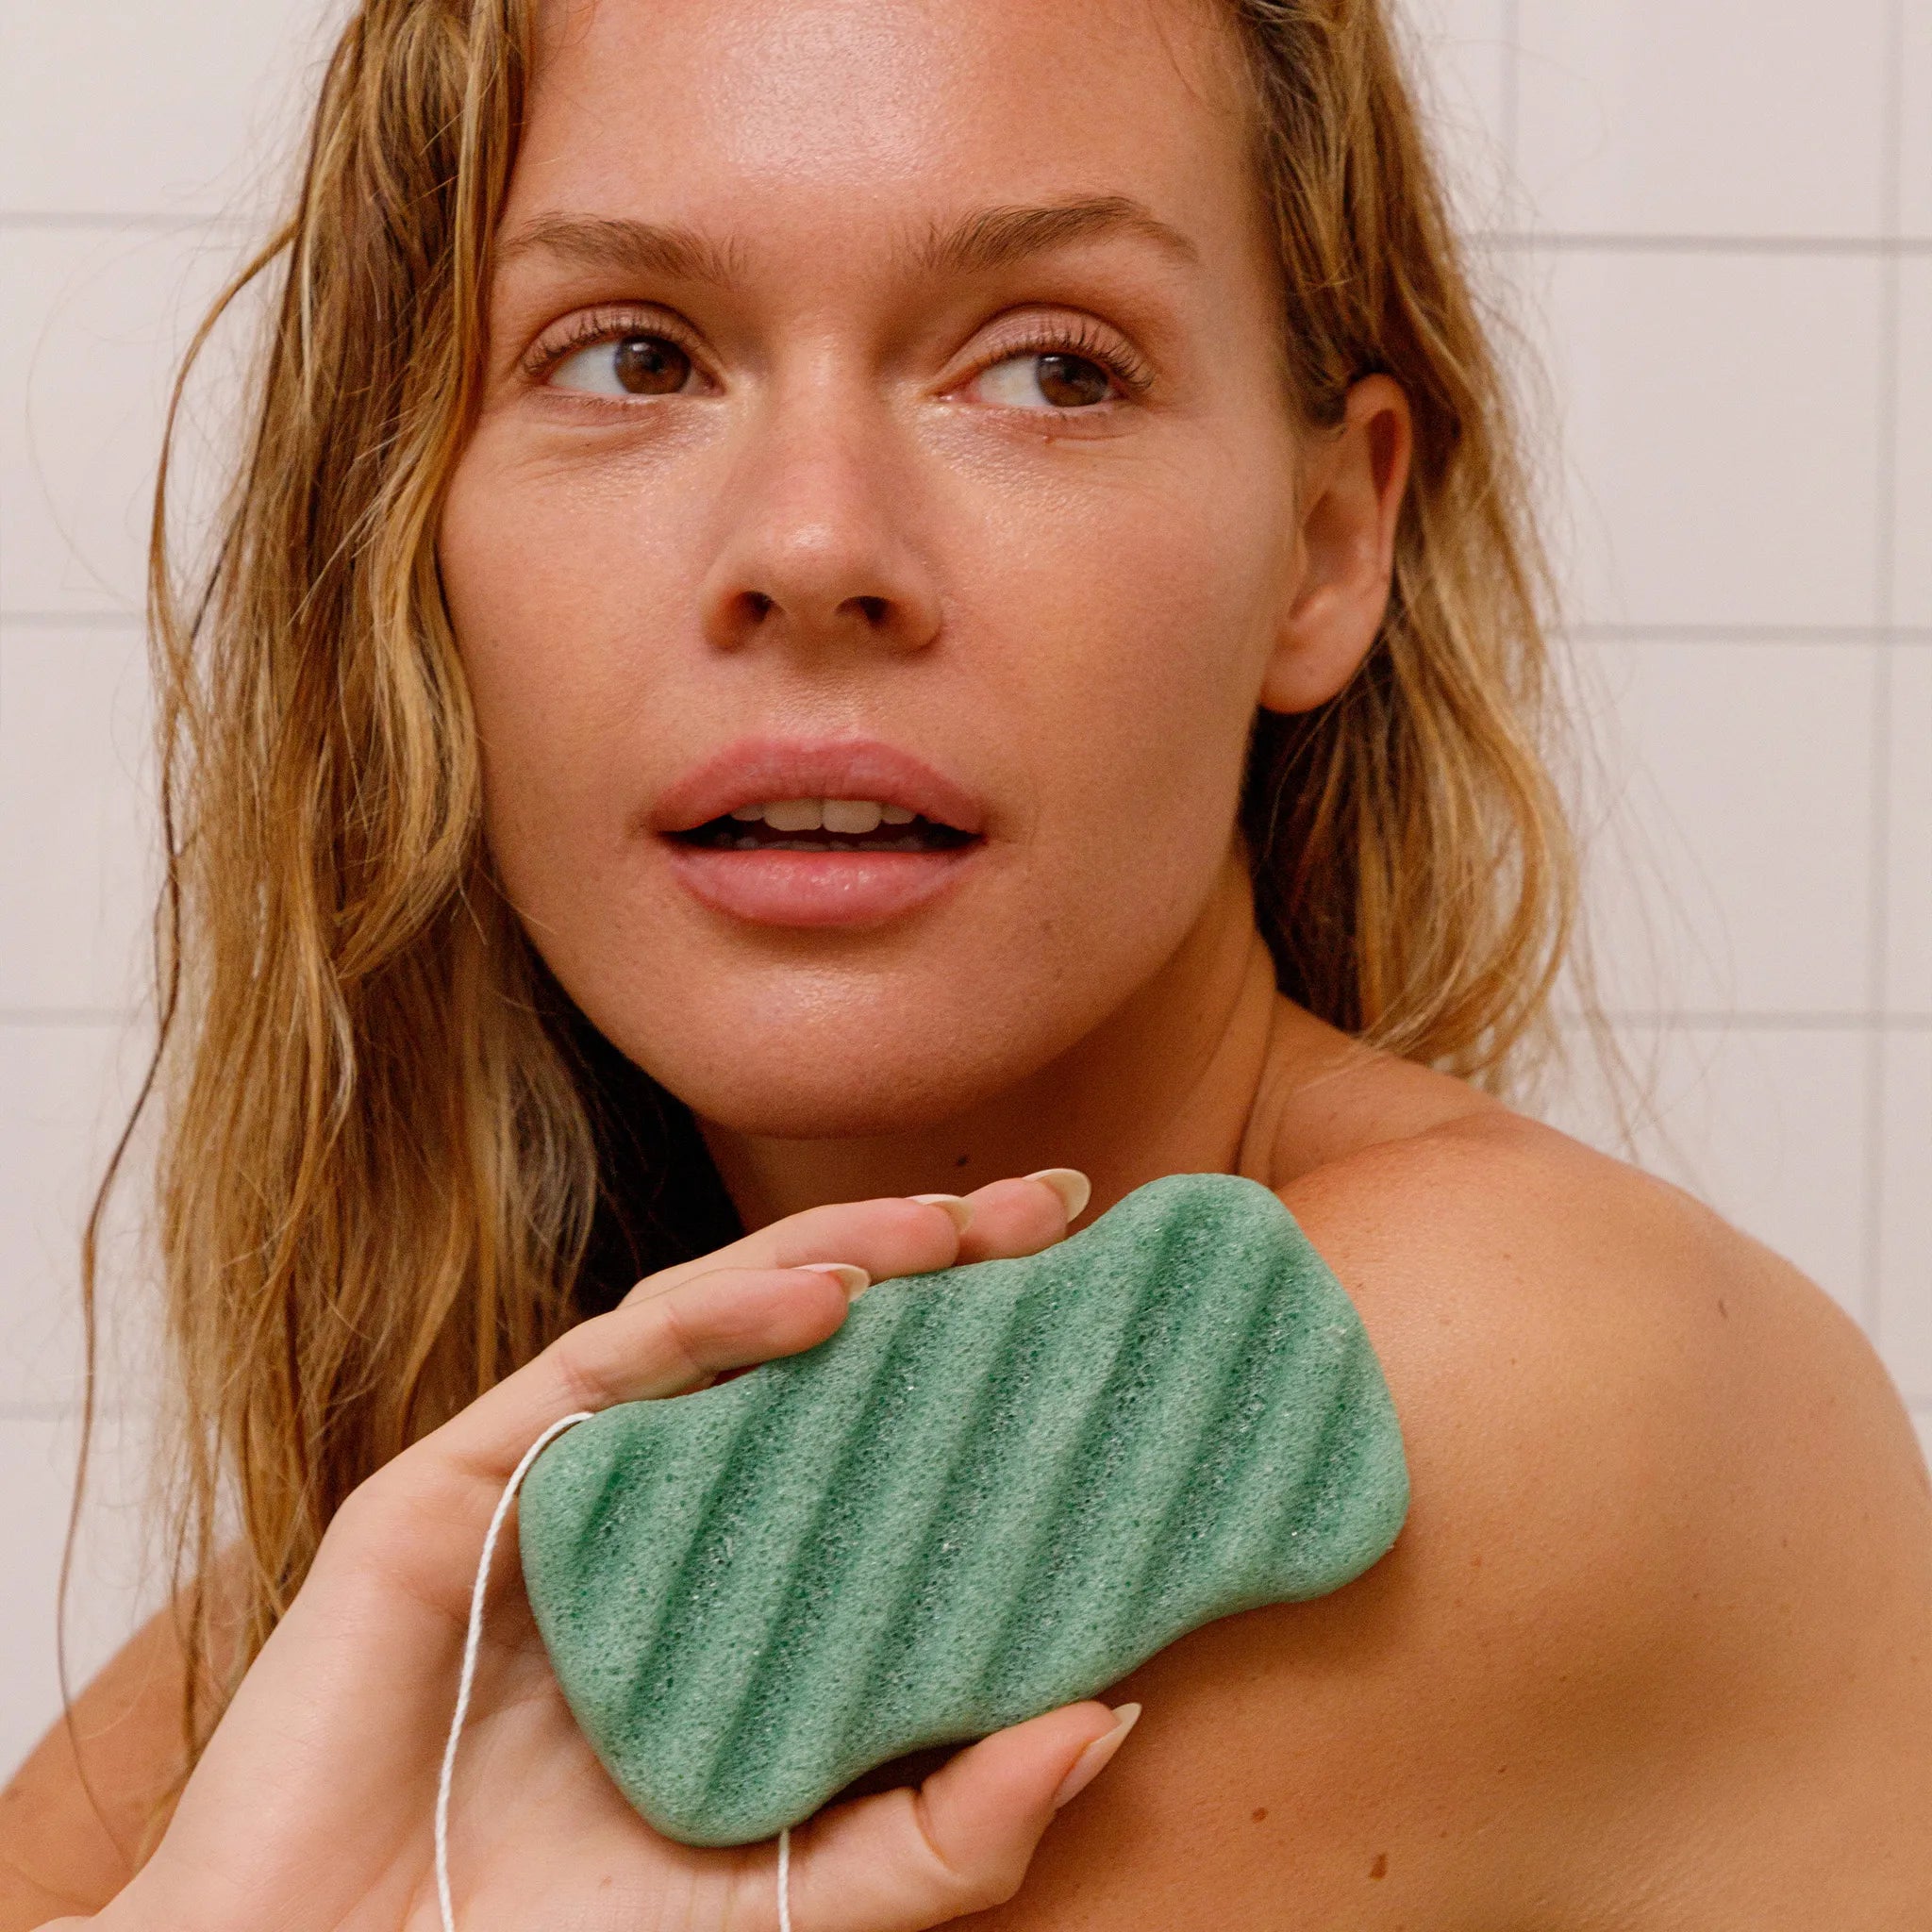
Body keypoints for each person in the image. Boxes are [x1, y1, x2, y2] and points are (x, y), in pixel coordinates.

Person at [6, 0, 1930, 1924]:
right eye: (632, 354)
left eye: (1050, 372)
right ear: (402, 531)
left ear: (1328, 540)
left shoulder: (1467, 1361)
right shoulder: (526, 1509)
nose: (817, 542)